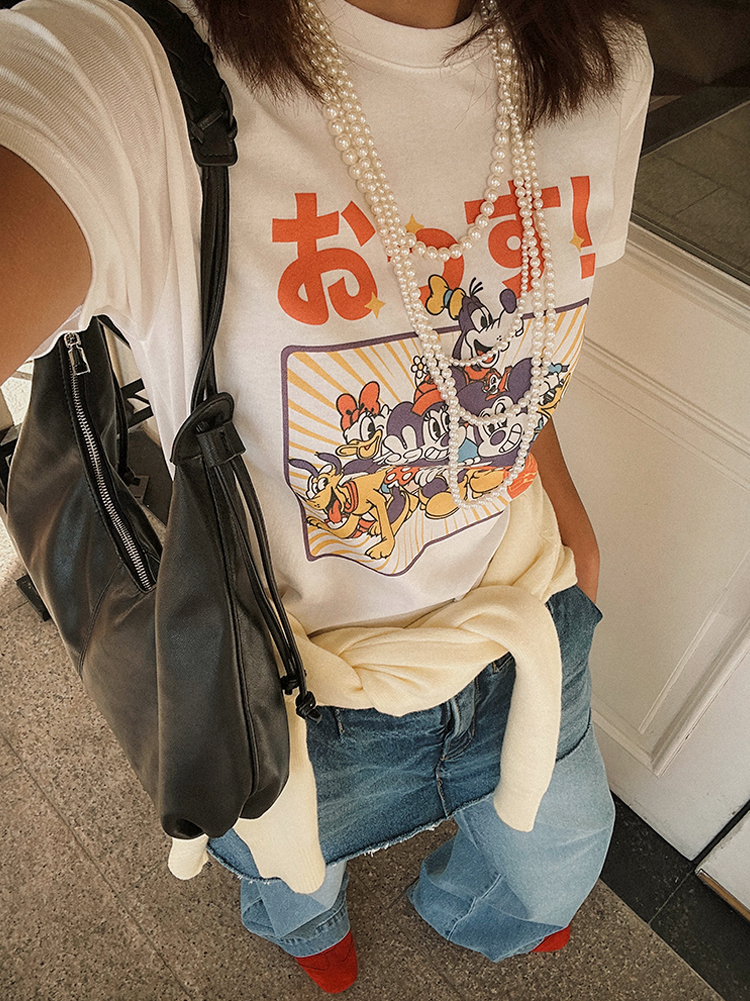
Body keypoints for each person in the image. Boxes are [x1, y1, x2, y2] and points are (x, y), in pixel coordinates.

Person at [0, 0, 652, 992]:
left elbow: (505, 339)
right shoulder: (130, 72)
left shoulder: (607, 62)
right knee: (291, 875)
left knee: (554, 855)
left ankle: (483, 911)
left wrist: (562, 501)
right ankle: (308, 933)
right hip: (283, 677)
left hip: (523, 613)